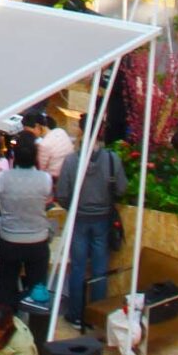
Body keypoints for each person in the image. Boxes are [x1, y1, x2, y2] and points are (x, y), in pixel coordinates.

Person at [57, 132, 127, 326]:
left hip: (79, 219)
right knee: (99, 269)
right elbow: (122, 189)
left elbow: (62, 193)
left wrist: (74, 207)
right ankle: (96, 315)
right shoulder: (113, 159)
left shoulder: (71, 162)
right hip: (103, 219)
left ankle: (76, 315)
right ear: (101, 140)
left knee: (78, 268)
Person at [0, 130, 53, 313]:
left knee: (6, 289)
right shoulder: (45, 179)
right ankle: (36, 331)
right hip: (37, 241)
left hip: (10, 240)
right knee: (37, 291)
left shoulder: (3, 178)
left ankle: (3, 328)